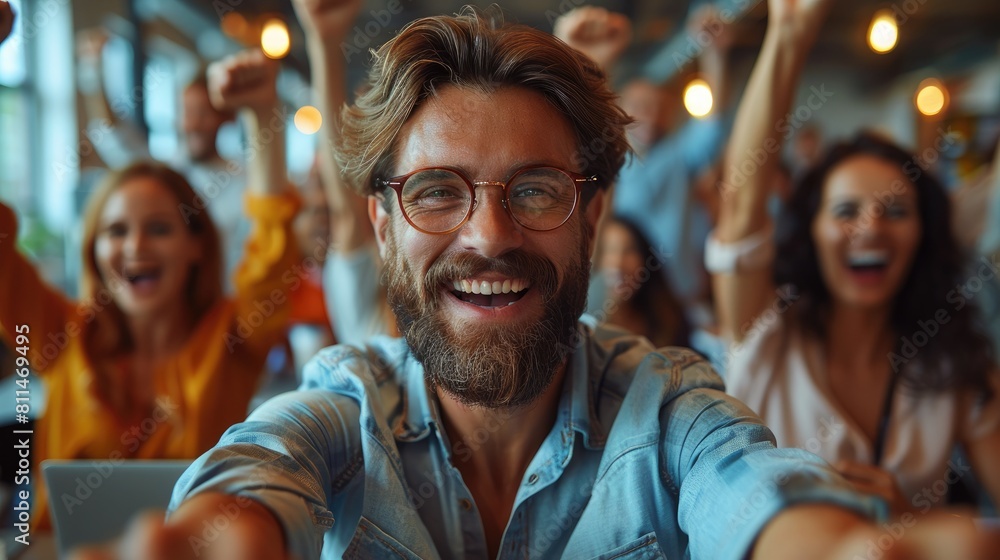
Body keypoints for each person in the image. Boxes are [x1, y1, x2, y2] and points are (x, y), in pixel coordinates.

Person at [79, 3, 1000, 560]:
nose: (489, 234)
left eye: (537, 190)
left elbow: (753, 489)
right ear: (379, 225)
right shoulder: (339, 407)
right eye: (437, 192)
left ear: (593, 217)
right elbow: (258, 478)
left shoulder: (669, 408)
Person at [708, 0, 1000, 518]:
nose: (871, 228)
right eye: (846, 210)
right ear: (812, 232)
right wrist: (788, 34)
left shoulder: (954, 363)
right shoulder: (766, 333)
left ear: (924, 235)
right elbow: (740, 215)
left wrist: (905, 522)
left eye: (895, 210)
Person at [0, 48, 298, 528]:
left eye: (159, 229)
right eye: (115, 231)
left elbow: (273, 250)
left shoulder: (231, 340)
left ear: (195, 246)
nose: (135, 246)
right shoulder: (63, 335)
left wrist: (263, 112)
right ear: (93, 249)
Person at [556, 5, 734, 320]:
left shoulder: (678, 156)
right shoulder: (602, 156)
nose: (648, 114)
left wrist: (715, 55)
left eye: (656, 106)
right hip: (616, 298)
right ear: (620, 111)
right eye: (638, 106)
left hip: (678, 299)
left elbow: (713, 126)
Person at [76, 29, 249, 289]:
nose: (192, 124)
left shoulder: (245, 179)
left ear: (226, 118)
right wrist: (92, 69)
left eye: (203, 113)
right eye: (186, 112)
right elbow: (112, 135)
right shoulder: (167, 174)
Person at [590, 216, 689, 348]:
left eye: (629, 251)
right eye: (610, 250)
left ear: (644, 258)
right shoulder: (586, 327)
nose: (618, 263)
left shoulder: (668, 319)